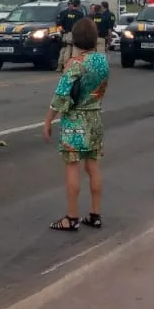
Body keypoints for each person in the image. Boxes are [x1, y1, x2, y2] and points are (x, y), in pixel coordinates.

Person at [45, 18, 109, 232]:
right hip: (95, 117)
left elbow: (61, 95)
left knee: (72, 166)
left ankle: (71, 217)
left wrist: (48, 120)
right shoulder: (102, 61)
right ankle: (95, 213)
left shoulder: (75, 64)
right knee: (93, 165)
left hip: (75, 120)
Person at [56, 0, 85, 71]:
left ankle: (63, 66)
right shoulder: (80, 14)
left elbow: (59, 23)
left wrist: (62, 30)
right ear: (79, 4)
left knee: (66, 50)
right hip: (76, 34)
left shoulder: (66, 13)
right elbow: (82, 25)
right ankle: (73, 68)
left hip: (66, 33)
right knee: (75, 51)